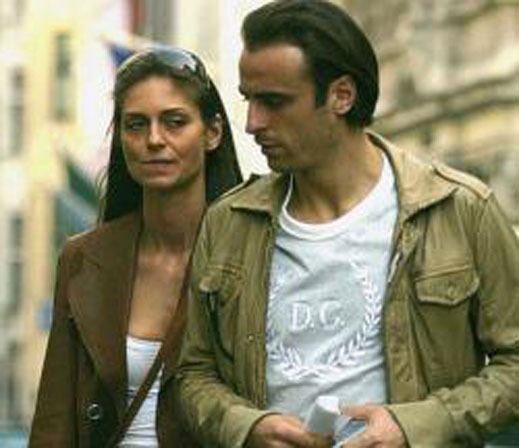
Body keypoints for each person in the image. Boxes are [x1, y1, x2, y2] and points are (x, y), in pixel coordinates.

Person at [176, 1, 519, 447]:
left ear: (342, 95)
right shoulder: (228, 222)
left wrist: (418, 426)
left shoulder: (459, 210)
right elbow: (193, 374)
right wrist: (246, 426)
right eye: (249, 100)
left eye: (274, 102)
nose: (253, 123)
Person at [29, 46, 242, 447]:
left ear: (212, 132)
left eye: (175, 122)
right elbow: (53, 421)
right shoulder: (83, 257)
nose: (154, 140)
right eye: (136, 124)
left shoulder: (249, 252)